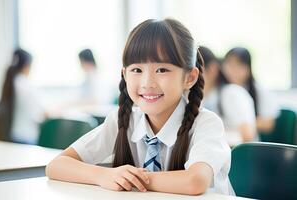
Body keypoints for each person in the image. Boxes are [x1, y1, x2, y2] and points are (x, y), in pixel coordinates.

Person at [46, 19, 234, 195]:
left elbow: (195, 181)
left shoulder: (206, 123)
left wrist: (131, 179)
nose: (147, 82)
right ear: (125, 74)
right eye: (137, 70)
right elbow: (56, 166)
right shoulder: (122, 120)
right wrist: (104, 175)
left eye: (162, 70)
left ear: (189, 77)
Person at [200, 46, 256, 146]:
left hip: (239, 155)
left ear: (212, 69)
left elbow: (248, 135)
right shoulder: (200, 97)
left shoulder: (232, 93)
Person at [223, 47, 279, 133]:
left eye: (238, 65)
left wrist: (243, 124)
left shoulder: (259, 91)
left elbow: (268, 124)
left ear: (248, 67)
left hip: (250, 141)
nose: (232, 70)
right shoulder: (224, 90)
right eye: (229, 64)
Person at [0, 48, 45, 144]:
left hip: (8, 136)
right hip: (25, 137)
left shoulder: (10, 82)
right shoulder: (26, 85)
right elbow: (38, 115)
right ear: (27, 65)